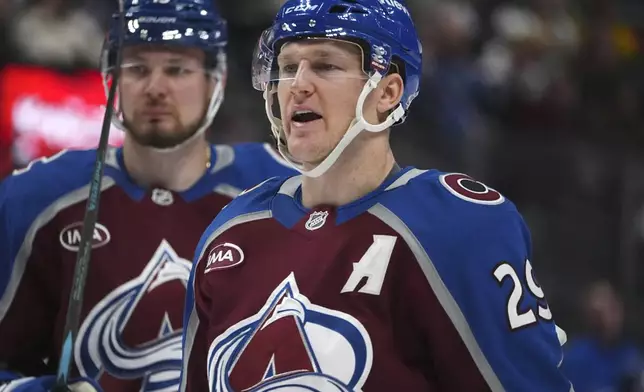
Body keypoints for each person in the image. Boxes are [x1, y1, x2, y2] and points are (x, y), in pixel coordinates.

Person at [179, 0, 573, 391]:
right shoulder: (230, 232)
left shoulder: (456, 227)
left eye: (325, 66)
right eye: (286, 68)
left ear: (387, 92)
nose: (297, 85)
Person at [0, 0, 295, 390]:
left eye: (177, 69)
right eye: (137, 68)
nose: (156, 88)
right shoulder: (37, 198)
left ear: (216, 82)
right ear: (111, 79)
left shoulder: (284, 192)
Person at [562, 281, 644, 392]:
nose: (610, 318)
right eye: (600, 313)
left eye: (612, 308)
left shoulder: (632, 355)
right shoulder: (574, 357)